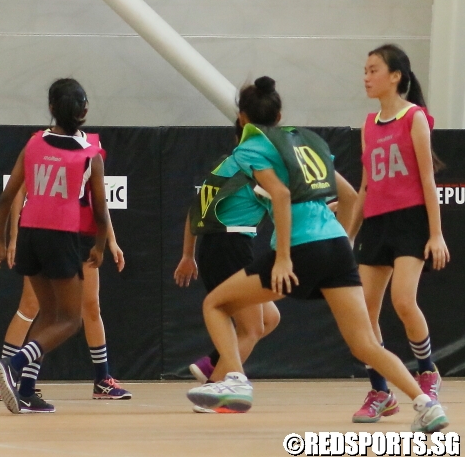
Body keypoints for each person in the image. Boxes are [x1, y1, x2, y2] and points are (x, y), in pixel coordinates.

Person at [185, 76, 448, 433]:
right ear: (279, 113)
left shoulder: (250, 147)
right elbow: (353, 197)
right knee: (366, 344)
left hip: (298, 249)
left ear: (243, 117)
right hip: (336, 244)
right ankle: (426, 405)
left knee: (214, 305)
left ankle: (235, 380)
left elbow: (278, 196)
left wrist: (283, 259)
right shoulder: (307, 141)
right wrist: (342, 239)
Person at [0, 78, 109, 414]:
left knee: (49, 313)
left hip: (29, 233)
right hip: (61, 236)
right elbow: (99, 211)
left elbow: (5, 198)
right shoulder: (90, 155)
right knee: (71, 320)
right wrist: (99, 246)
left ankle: (26, 390)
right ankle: (13, 366)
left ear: (51, 107)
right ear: (85, 111)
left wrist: (0, 240)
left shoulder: (34, 143)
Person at [348, 44, 450, 423]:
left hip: (410, 221)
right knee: (364, 315)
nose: (366, 76)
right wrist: (348, 234)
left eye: (373, 69)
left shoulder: (415, 118)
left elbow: (427, 178)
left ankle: (426, 370)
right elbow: (364, 187)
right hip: (375, 223)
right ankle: (380, 390)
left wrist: (435, 234)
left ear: (396, 76)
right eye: (365, 69)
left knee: (404, 301)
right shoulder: (368, 125)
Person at [0, 162, 132, 402]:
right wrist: (14, 237)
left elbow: (99, 202)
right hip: (48, 230)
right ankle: (5, 379)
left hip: (82, 234)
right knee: (31, 306)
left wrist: (111, 240)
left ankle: (102, 379)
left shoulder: (88, 151)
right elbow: (20, 191)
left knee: (90, 306)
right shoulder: (44, 145)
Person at [173, 123, 280, 414]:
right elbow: (283, 206)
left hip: (217, 247)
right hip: (230, 247)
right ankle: (216, 388)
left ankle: (214, 361)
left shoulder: (224, 165)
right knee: (252, 326)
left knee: (270, 317)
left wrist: (187, 255)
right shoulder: (254, 170)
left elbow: (194, 211)